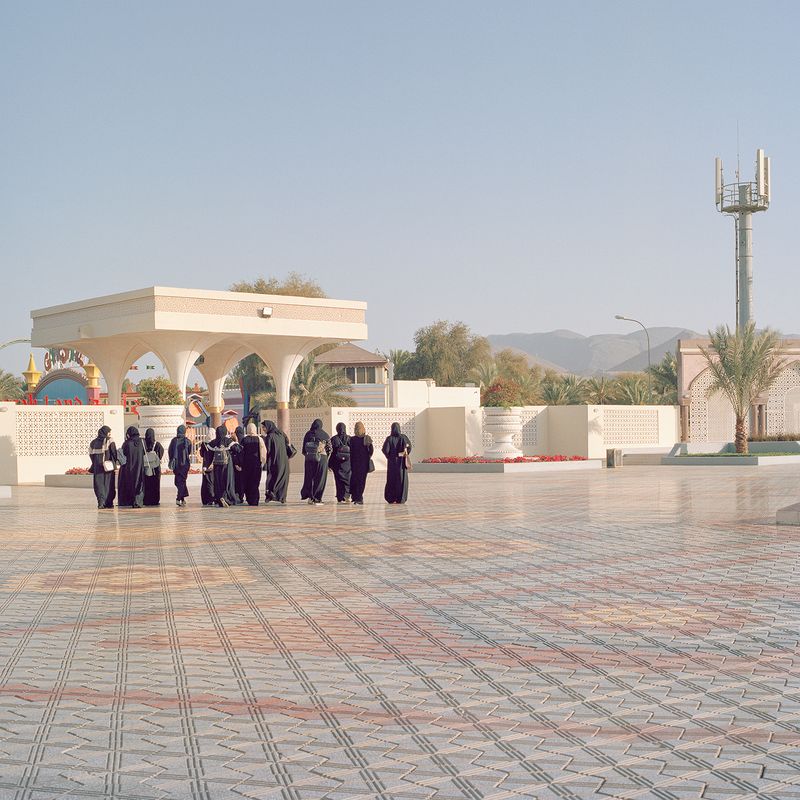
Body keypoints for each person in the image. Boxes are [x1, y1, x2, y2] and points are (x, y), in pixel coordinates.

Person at [206, 425, 239, 507]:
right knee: (228, 481)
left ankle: (219, 498)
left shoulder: (213, 442)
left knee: (218, 482)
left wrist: (207, 465)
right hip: (227, 465)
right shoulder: (228, 441)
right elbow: (238, 449)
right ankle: (227, 498)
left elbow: (208, 455)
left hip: (217, 465)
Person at [300, 418, 331, 504]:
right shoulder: (325, 435)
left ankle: (310, 497)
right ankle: (317, 498)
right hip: (321, 459)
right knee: (320, 479)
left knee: (309, 477)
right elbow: (329, 448)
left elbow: (303, 449)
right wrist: (326, 457)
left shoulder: (308, 434)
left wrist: (309, 455)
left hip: (309, 459)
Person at [382, 422, 412, 504]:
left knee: (391, 480)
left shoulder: (389, 439)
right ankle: (401, 498)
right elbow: (409, 447)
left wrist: (390, 457)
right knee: (401, 480)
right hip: (401, 463)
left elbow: (385, 450)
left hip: (392, 464)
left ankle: (391, 498)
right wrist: (405, 454)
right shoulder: (403, 437)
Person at [262, 419, 291, 504]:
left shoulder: (269, 436)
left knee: (272, 477)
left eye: (264, 427)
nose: (263, 429)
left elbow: (268, 450)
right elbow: (287, 442)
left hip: (274, 461)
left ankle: (270, 495)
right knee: (283, 478)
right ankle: (282, 497)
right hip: (284, 461)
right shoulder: (281, 433)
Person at [89, 425, 118, 509]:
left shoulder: (93, 442)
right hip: (108, 467)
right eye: (109, 432)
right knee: (108, 484)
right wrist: (114, 462)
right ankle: (109, 502)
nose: (110, 433)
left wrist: (95, 462)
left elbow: (90, 454)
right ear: (106, 432)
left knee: (99, 484)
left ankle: (101, 502)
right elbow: (114, 452)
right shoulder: (109, 440)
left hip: (97, 467)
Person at [118, 426, 146, 508]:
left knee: (131, 483)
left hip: (129, 467)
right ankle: (138, 501)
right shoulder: (142, 442)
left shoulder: (127, 443)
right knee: (140, 483)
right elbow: (145, 452)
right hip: (140, 467)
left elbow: (124, 454)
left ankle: (132, 501)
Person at [240, 422, 266, 505]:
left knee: (247, 481)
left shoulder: (244, 440)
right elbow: (263, 452)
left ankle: (249, 499)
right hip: (256, 464)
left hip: (246, 465)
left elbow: (241, 452)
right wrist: (262, 462)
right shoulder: (259, 439)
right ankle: (255, 499)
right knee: (255, 482)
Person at [168, 424, 193, 506]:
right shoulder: (188, 441)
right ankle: (181, 498)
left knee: (179, 482)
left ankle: (179, 498)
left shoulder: (174, 441)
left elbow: (170, 451)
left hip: (176, 465)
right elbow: (189, 452)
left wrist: (172, 458)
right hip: (185, 464)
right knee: (181, 481)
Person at [349, 421, 374, 505]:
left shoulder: (352, 439)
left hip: (354, 463)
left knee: (355, 480)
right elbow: (371, 450)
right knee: (361, 481)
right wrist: (367, 457)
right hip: (364, 463)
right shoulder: (367, 438)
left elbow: (350, 452)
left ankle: (355, 497)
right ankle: (359, 497)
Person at [328, 422, 352, 503]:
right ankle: (347, 496)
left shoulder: (334, 439)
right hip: (348, 463)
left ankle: (340, 497)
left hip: (337, 463)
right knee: (348, 479)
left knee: (338, 480)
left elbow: (331, 452)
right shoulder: (349, 438)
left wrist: (329, 464)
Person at [142, 428, 164, 507]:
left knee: (146, 484)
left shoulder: (143, 444)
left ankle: (146, 500)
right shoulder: (157, 444)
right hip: (155, 468)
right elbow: (161, 453)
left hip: (146, 467)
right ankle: (155, 500)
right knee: (155, 484)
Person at [199, 434, 216, 506]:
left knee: (205, 482)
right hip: (212, 465)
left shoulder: (204, 443)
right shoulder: (214, 443)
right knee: (211, 482)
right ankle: (211, 499)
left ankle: (205, 500)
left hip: (205, 465)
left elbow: (202, 454)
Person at [232, 424, 246, 504]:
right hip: (243, 466)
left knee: (236, 482)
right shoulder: (245, 440)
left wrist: (236, 464)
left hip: (235, 466)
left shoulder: (234, 443)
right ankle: (241, 497)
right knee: (242, 482)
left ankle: (237, 497)